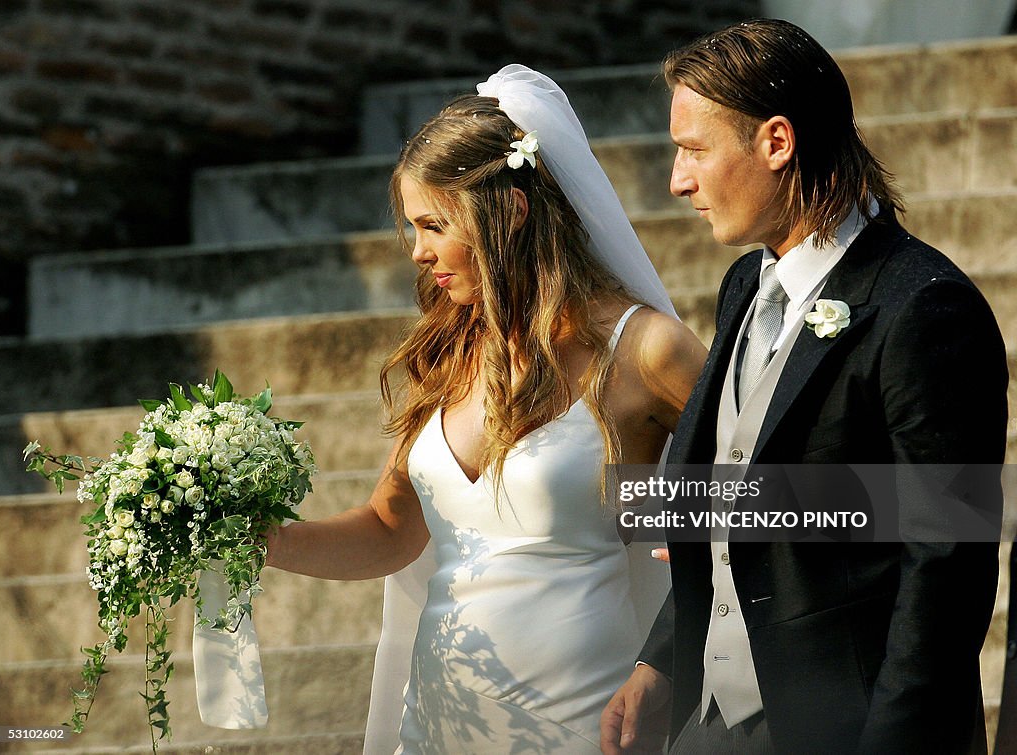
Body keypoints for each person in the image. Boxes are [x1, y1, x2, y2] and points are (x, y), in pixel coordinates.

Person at [265, 64, 707, 752]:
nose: (418, 251)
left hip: (585, 722)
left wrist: (668, 657)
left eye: (434, 224)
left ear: (508, 212)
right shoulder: (447, 354)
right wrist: (260, 538)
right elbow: (389, 530)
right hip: (441, 721)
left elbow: (764, 496)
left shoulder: (644, 348)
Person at [601, 18, 1008, 755]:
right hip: (715, 722)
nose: (677, 180)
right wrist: (661, 660)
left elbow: (947, 562)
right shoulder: (741, 287)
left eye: (693, 150)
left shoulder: (924, 306)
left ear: (777, 142)